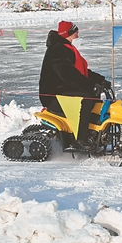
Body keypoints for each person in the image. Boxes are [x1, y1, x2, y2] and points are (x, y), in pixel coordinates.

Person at [39, 21, 110, 150]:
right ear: (68, 34)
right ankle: (81, 139)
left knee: (93, 96)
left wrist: (100, 80)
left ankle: (92, 132)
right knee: (88, 97)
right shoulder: (57, 49)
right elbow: (68, 74)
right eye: (75, 31)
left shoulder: (65, 47)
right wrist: (90, 86)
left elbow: (80, 71)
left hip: (65, 89)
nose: (78, 33)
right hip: (53, 94)